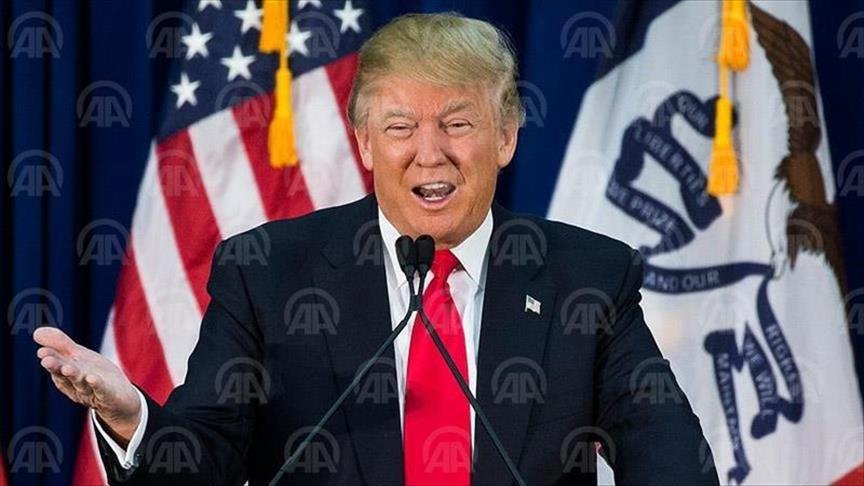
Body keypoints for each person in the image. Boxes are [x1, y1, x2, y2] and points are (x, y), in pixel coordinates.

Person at [34, 12, 718, 486]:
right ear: (364, 142)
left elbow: (668, 455)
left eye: (458, 123)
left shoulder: (588, 277)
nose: (429, 152)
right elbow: (204, 458)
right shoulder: (267, 274)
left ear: (506, 136)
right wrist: (130, 417)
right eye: (399, 127)